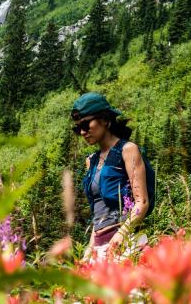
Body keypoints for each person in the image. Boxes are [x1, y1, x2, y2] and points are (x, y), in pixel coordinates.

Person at [71, 92, 149, 261]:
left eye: (85, 124)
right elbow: (98, 211)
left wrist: (121, 235)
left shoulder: (128, 150)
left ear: (105, 120)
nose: (83, 132)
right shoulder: (91, 161)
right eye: (78, 128)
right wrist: (89, 250)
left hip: (126, 241)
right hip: (99, 246)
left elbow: (141, 202)